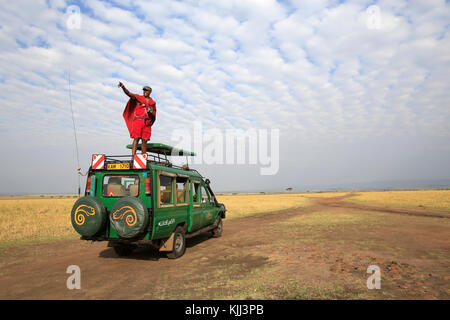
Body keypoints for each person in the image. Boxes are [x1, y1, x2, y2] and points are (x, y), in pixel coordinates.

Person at [118, 82, 156, 155]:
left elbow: (153, 114)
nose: (144, 91)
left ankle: (143, 156)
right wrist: (123, 86)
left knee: (144, 140)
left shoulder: (152, 102)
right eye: (144, 90)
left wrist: (150, 112)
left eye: (146, 90)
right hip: (138, 121)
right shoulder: (138, 98)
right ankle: (133, 157)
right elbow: (129, 93)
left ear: (150, 92)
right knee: (136, 138)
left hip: (146, 123)